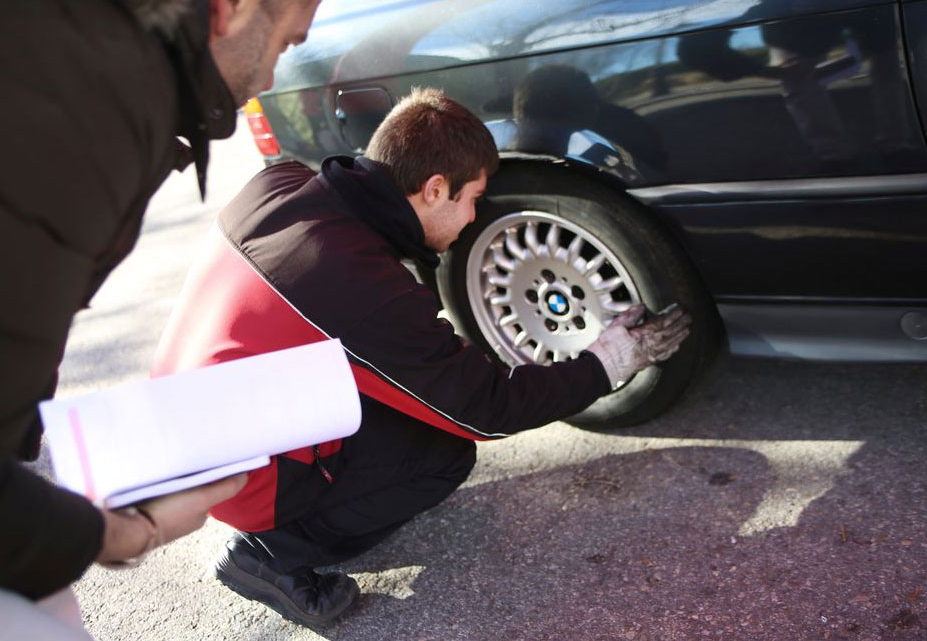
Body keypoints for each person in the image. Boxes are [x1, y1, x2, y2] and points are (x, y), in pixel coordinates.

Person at [151, 87, 692, 631]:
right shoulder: (355, 283)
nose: (474, 217)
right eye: (473, 199)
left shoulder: (281, 184)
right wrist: (607, 363)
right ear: (435, 188)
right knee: (444, 451)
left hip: (198, 423)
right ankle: (270, 551)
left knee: (408, 398)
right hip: (237, 476)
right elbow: (485, 409)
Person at [0, 0, 325, 631]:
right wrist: (124, 534)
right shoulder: (93, 98)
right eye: (285, 43)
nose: (267, 77)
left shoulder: (69, 43)